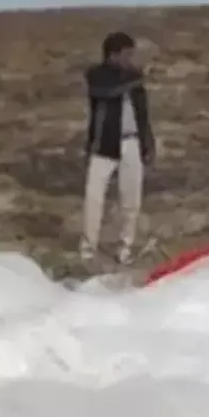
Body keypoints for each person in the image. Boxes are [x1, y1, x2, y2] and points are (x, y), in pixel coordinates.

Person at [81, 31, 154, 264]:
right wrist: (137, 79)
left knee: (131, 199)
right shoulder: (97, 75)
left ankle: (126, 247)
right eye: (126, 54)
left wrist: (148, 142)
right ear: (112, 55)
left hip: (132, 142)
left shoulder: (133, 79)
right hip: (104, 145)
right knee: (94, 197)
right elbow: (107, 91)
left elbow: (143, 114)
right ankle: (88, 248)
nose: (130, 59)